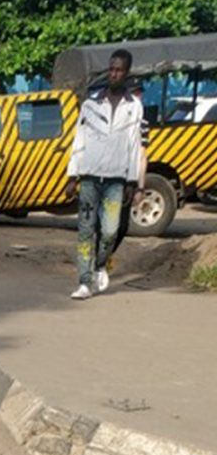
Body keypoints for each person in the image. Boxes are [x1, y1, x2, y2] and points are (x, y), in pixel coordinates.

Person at [65, 49, 144, 300]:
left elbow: (134, 146)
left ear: (127, 73)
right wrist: (72, 175)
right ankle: (84, 282)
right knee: (85, 230)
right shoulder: (91, 104)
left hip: (115, 180)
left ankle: (100, 265)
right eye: (111, 69)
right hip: (89, 176)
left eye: (119, 70)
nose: (114, 73)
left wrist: (133, 181)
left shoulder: (134, 108)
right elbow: (79, 140)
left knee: (110, 231)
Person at [108, 79, 150, 268]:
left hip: (128, 181)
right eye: (135, 94)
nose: (138, 98)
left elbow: (142, 156)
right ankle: (94, 259)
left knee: (122, 227)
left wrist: (140, 188)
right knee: (105, 224)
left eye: (140, 94)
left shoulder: (143, 124)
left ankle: (104, 258)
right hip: (108, 177)